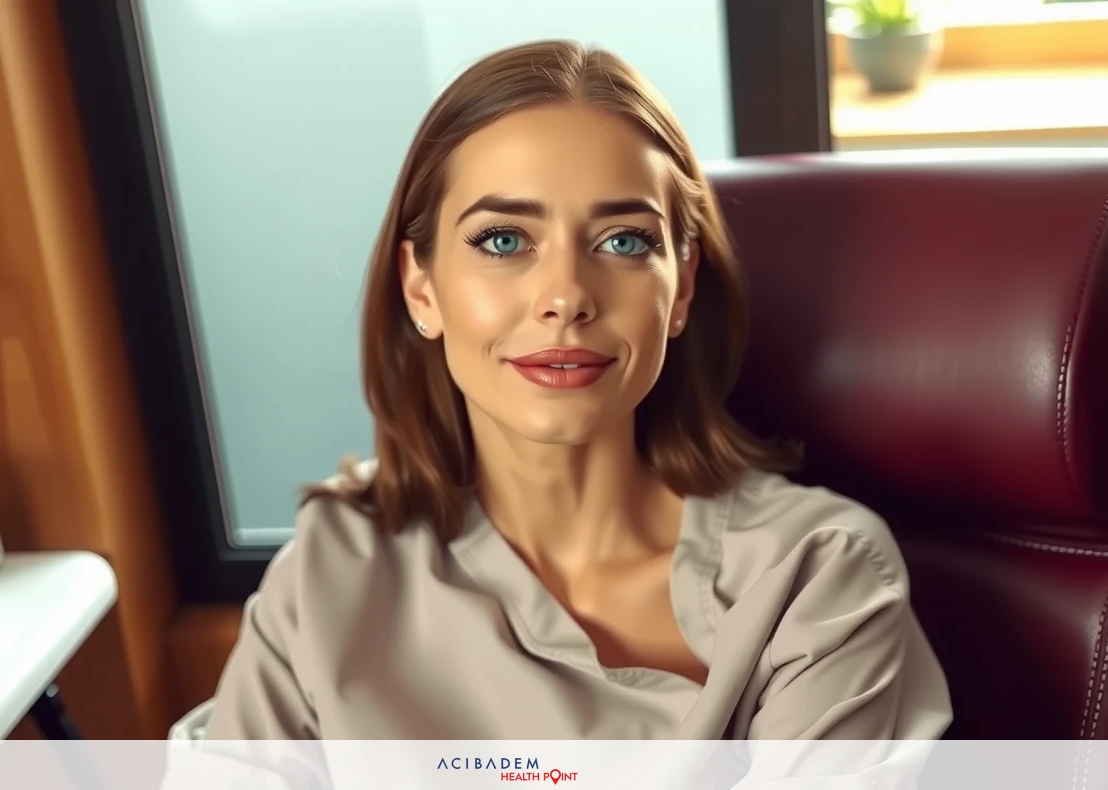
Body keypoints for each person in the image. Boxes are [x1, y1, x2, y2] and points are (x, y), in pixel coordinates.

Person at [201, 39, 952, 741]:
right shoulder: (329, 571)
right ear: (421, 287)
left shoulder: (817, 576)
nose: (565, 296)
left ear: (682, 285)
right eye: (503, 240)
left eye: (623, 242)